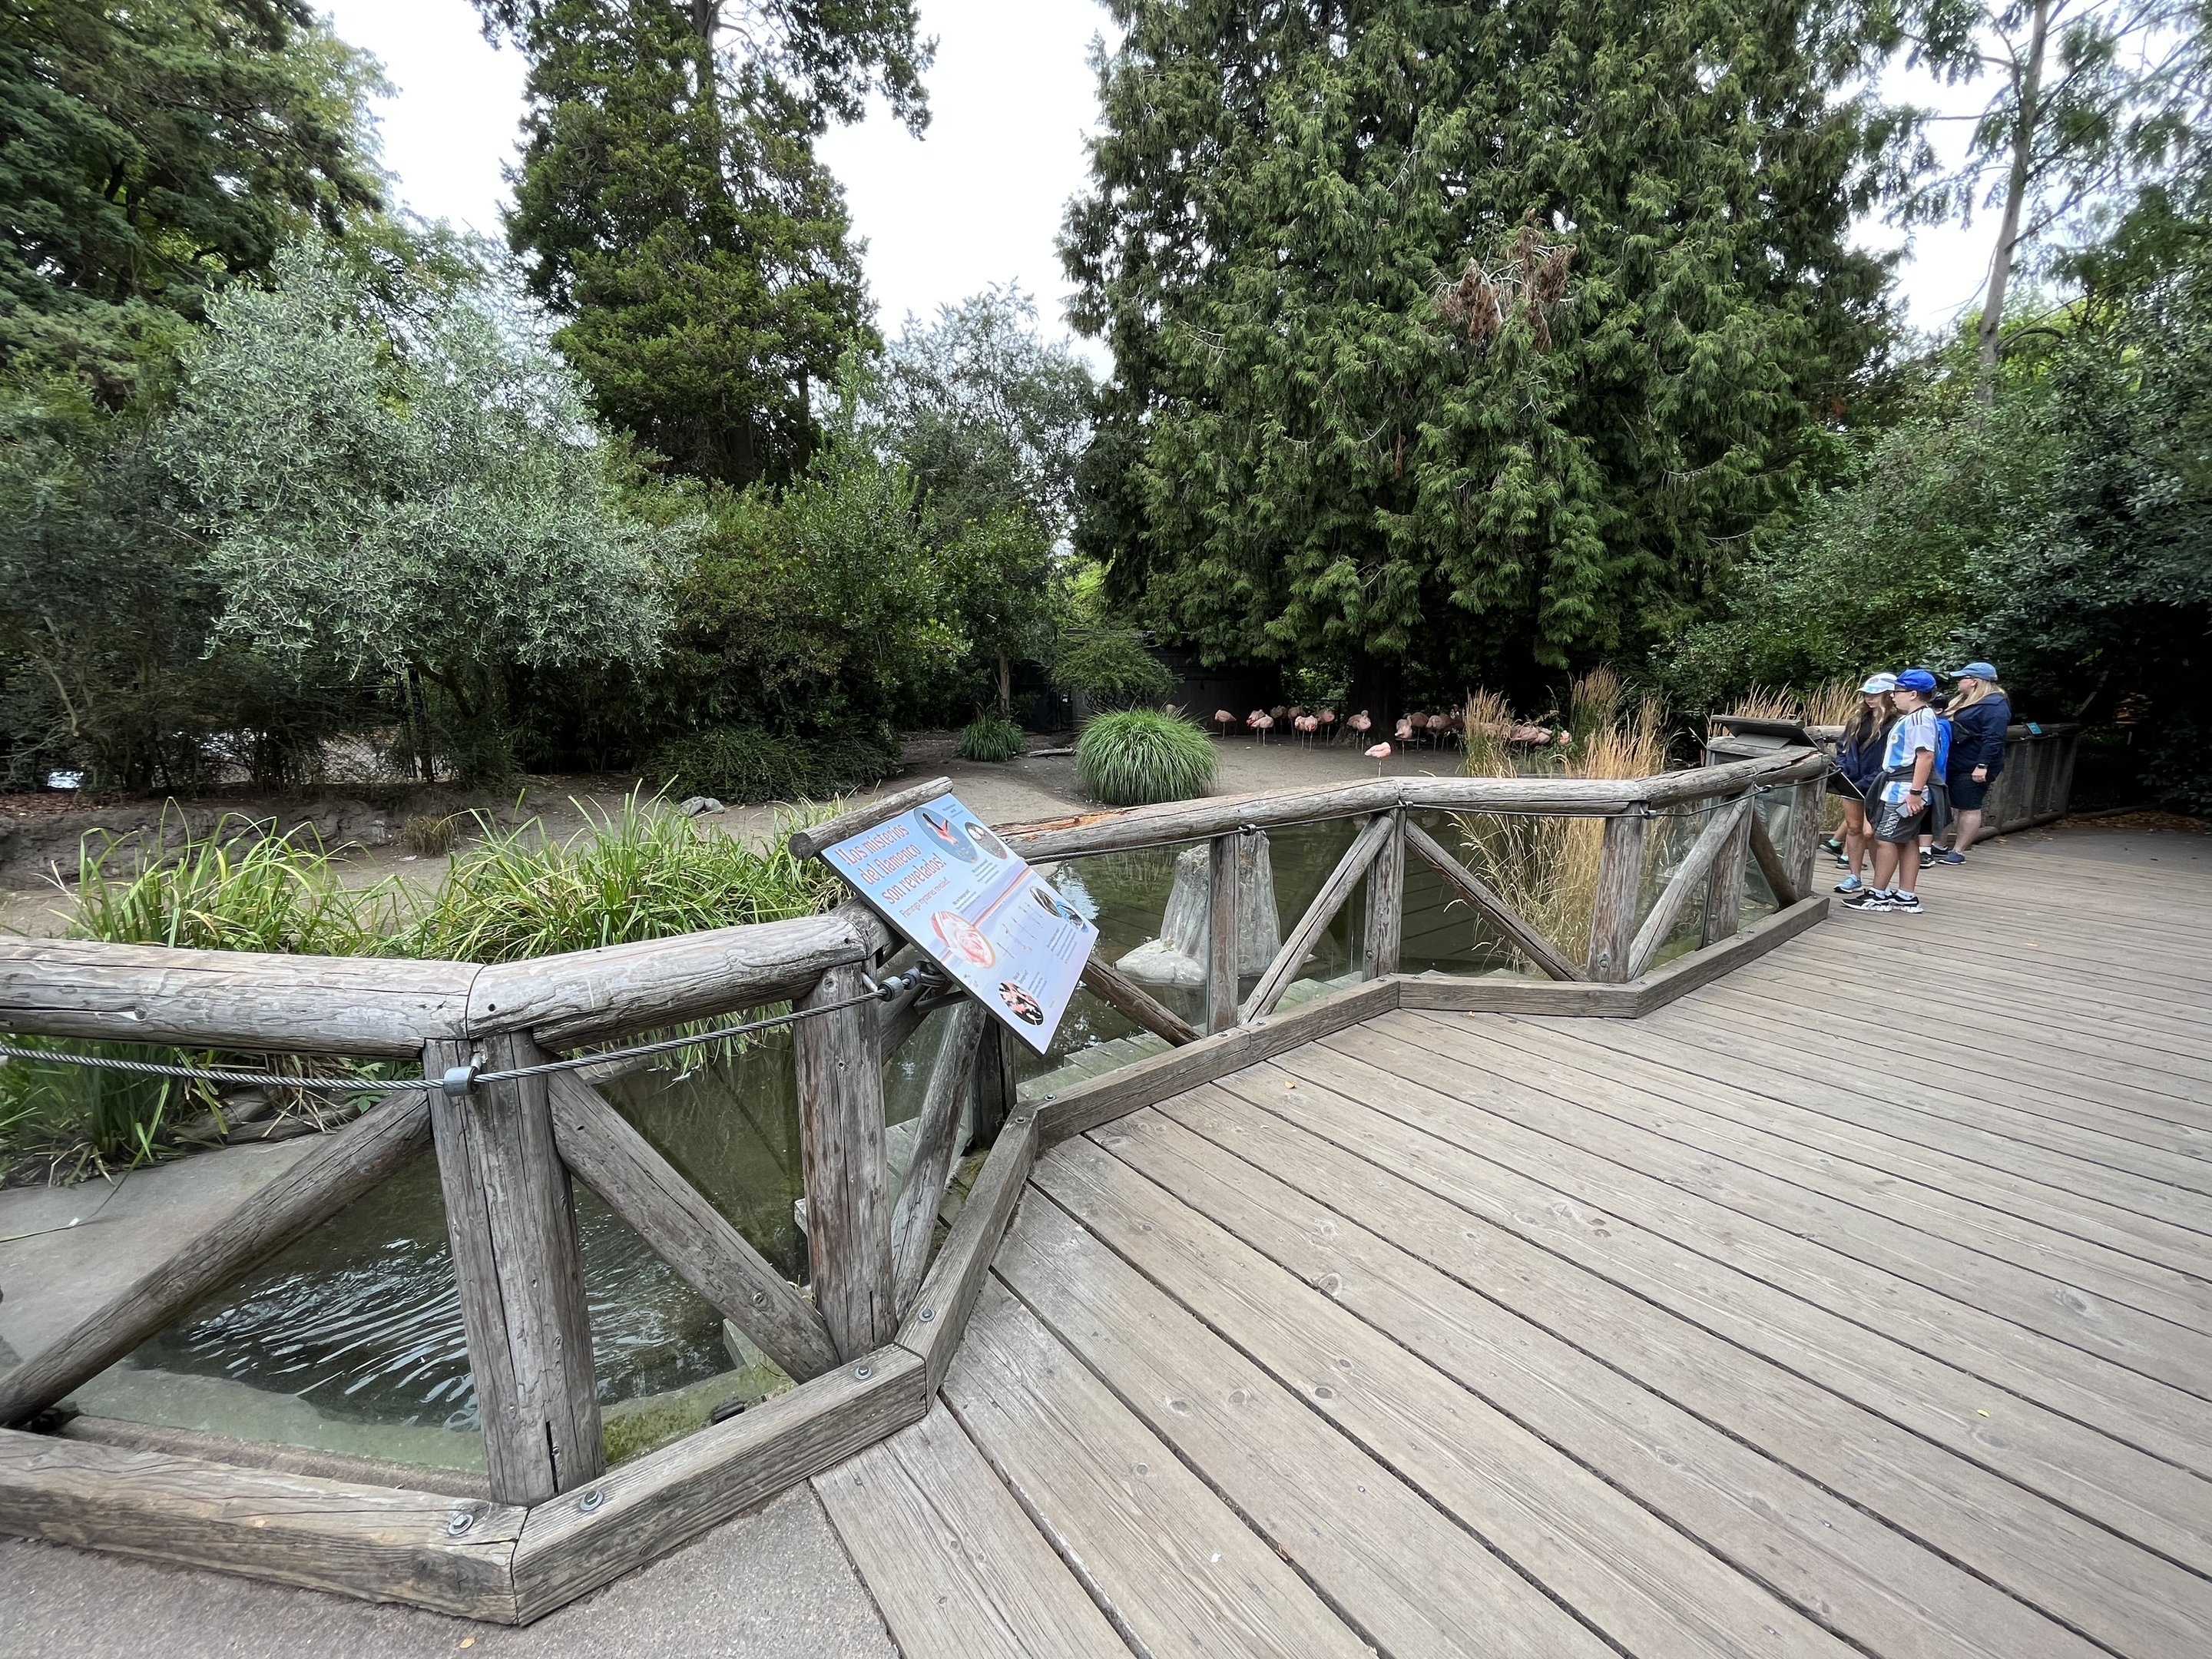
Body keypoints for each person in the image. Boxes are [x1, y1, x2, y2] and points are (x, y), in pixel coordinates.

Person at [1845, 667, 1940, 914]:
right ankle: (1906, 894)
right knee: (1907, 840)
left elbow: (1925, 756)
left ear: (1913, 693)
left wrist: (1915, 792)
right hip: (1899, 786)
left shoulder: (1920, 719)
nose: (1893, 696)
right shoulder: (1914, 717)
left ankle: (1879, 894)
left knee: (1884, 838)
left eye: (1897, 691)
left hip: (1904, 788)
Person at [1932, 662, 2012, 865]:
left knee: (1969, 805)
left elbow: (1993, 738)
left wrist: (1983, 765)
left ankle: (1959, 850)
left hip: (1974, 763)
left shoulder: (1995, 705)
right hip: (1955, 761)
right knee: (1945, 802)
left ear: (1975, 681)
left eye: (1962, 678)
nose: (1959, 682)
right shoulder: (1964, 701)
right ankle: (1939, 845)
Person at [1831, 674, 1896, 895]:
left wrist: (1868, 780)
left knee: (1873, 833)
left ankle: (1880, 884)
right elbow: (1842, 746)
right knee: (1854, 828)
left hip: (1878, 784)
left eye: (1875, 694)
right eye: (1867, 694)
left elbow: (1891, 759)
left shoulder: (1896, 722)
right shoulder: (1858, 718)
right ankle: (1854, 875)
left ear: (1889, 695)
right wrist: (1842, 768)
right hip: (1851, 782)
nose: (1869, 698)